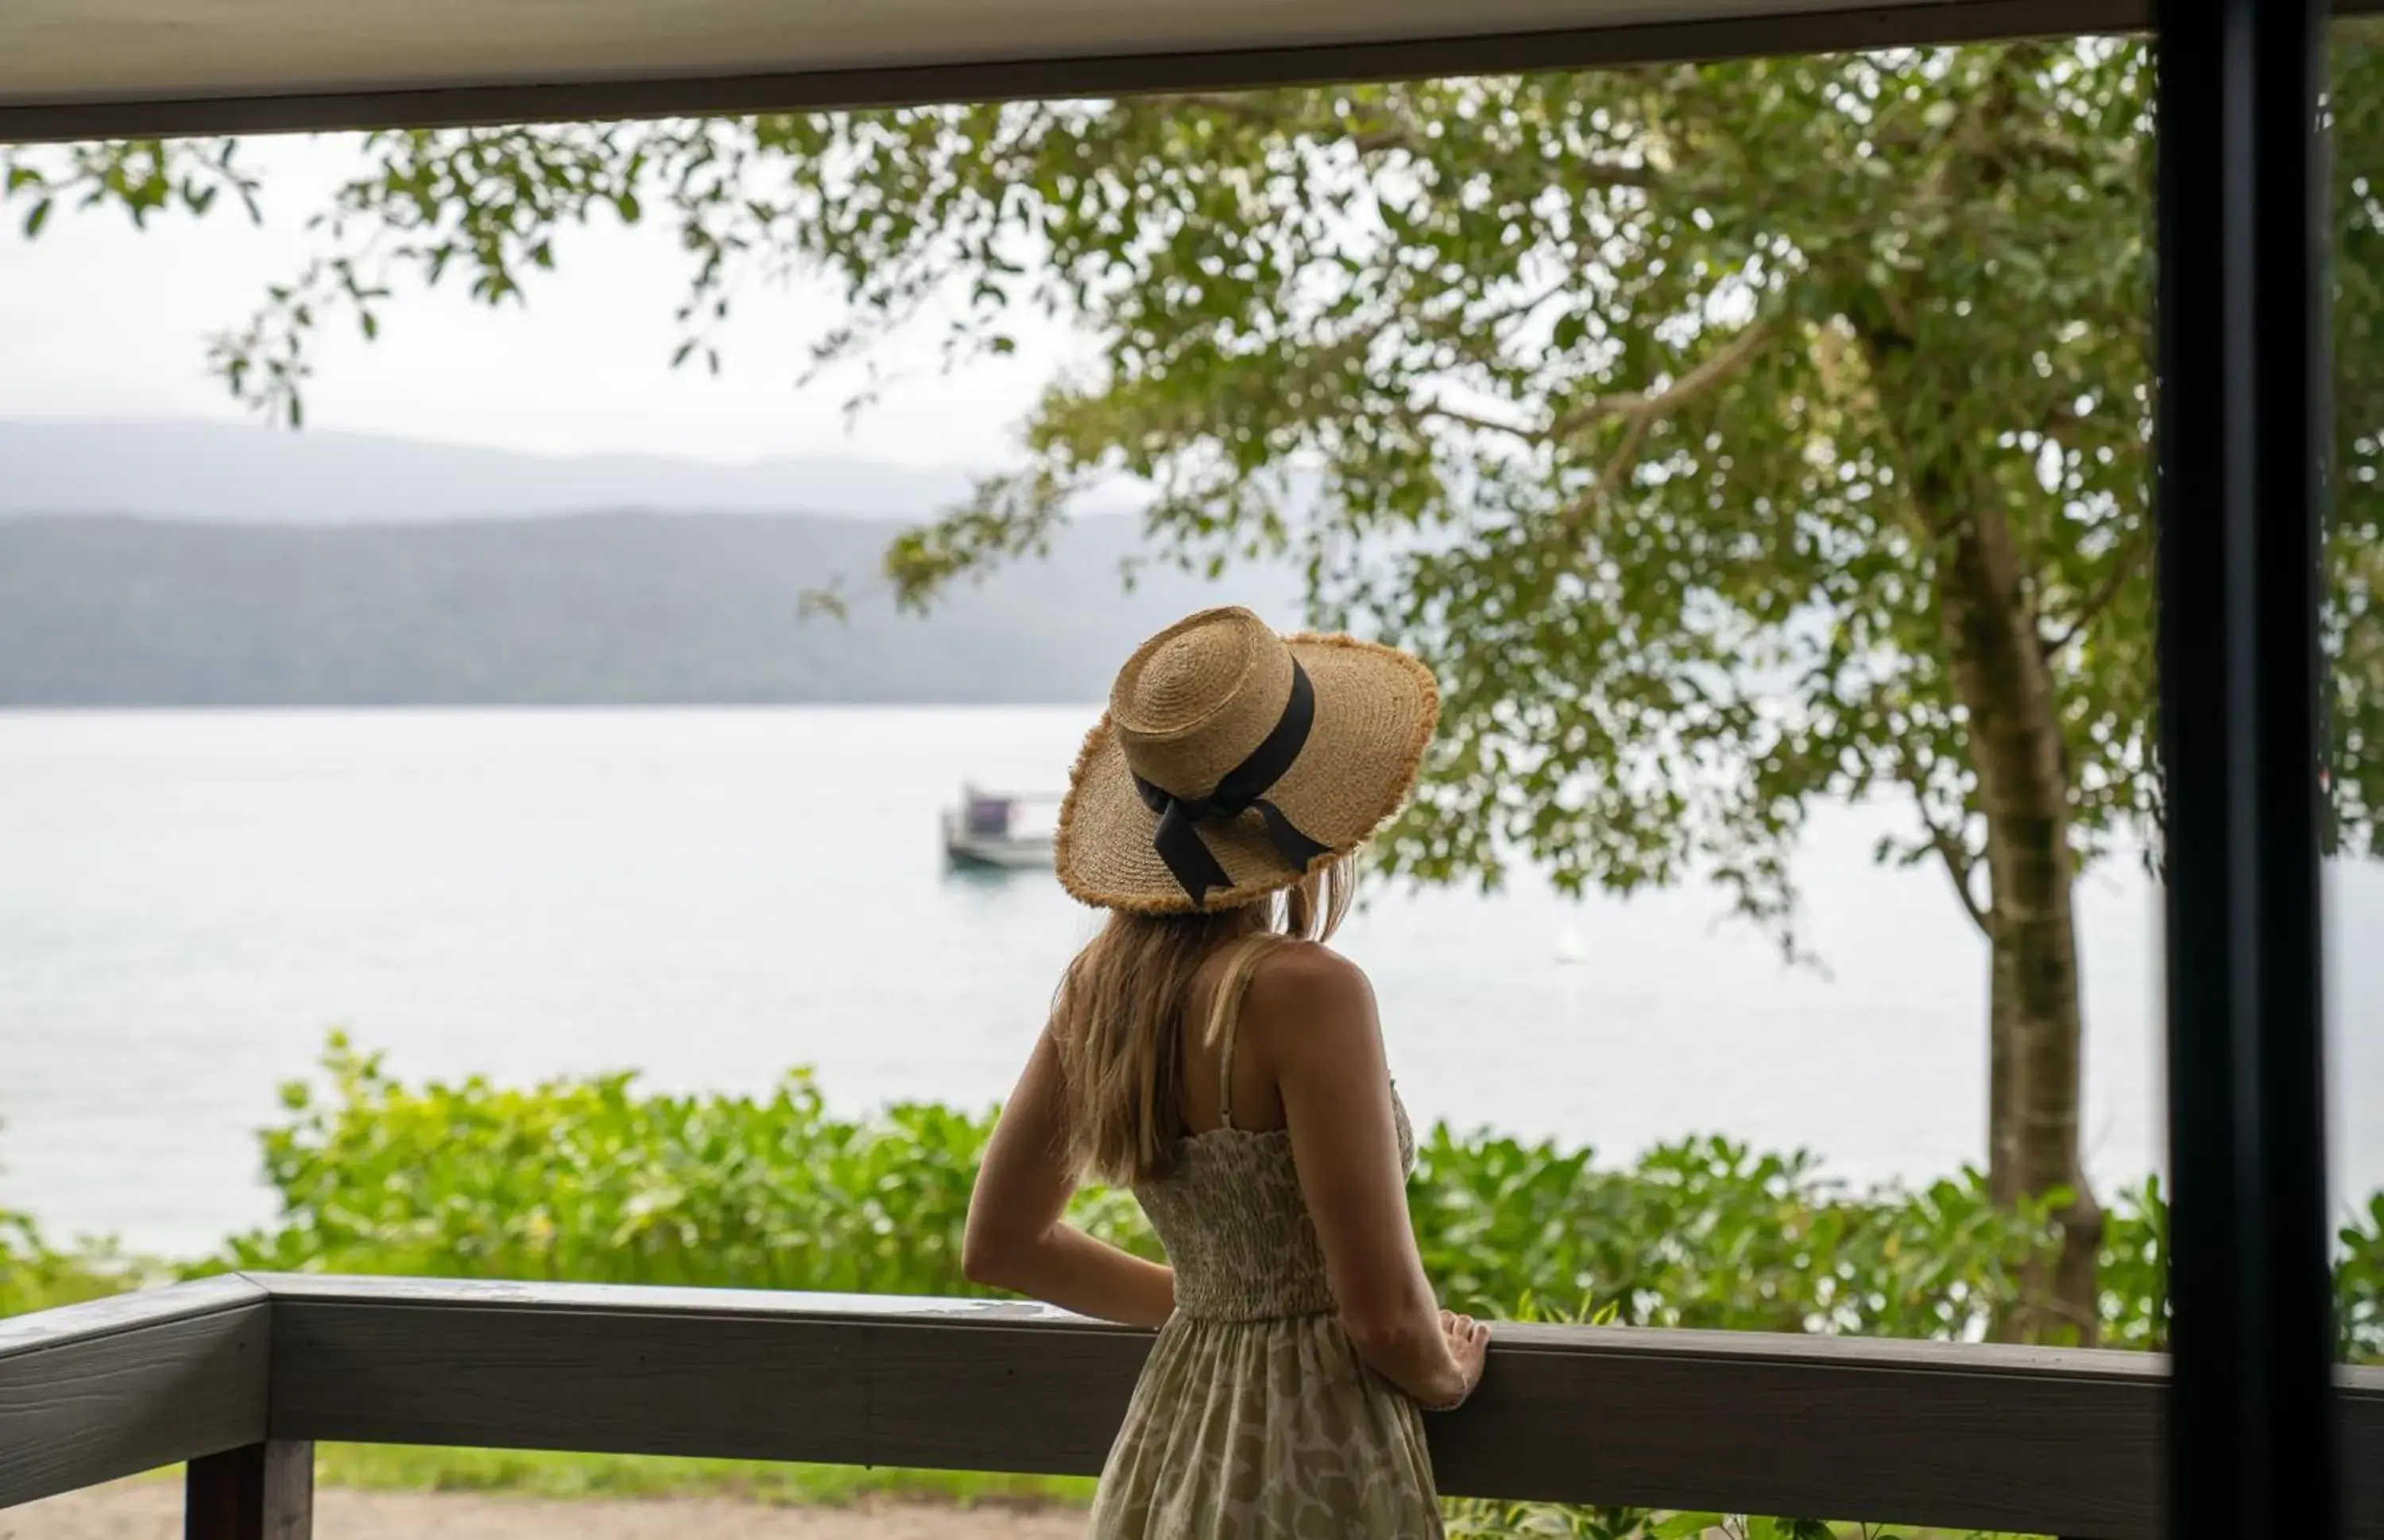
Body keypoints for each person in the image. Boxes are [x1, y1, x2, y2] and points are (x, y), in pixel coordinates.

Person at [963, 605, 1489, 1538]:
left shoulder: (1099, 994)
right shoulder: (1309, 992)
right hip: (1316, 1442)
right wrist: (1447, 1372)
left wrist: (1223, 1309)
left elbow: (1002, 1244)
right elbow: (1382, 1320)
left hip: (1178, 1432)